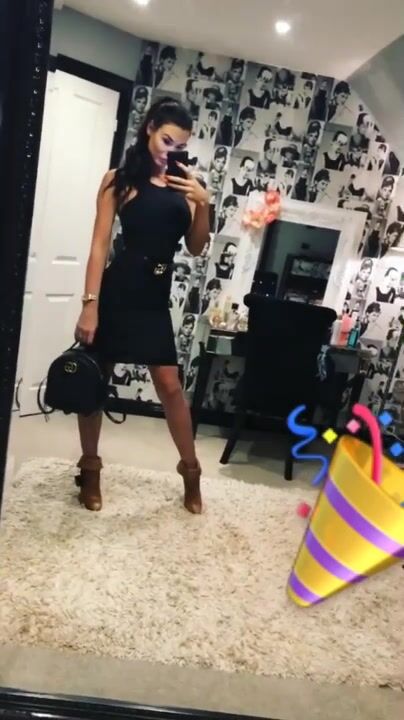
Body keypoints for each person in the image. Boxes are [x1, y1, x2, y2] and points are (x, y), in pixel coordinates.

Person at [74, 97, 210, 515]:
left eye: (180, 145)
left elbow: (196, 246)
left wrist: (204, 203)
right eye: (166, 140)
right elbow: (99, 245)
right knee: (95, 380)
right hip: (117, 290)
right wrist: (90, 305)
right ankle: (90, 469)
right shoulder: (118, 180)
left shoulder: (187, 187)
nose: (171, 151)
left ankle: (191, 471)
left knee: (169, 386)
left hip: (154, 297)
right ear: (149, 127)